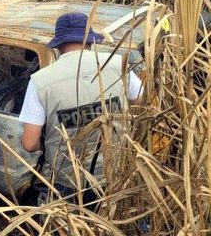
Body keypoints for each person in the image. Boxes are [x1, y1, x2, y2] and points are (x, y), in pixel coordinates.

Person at [18, 12, 144, 191]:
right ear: (92, 41)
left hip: (67, 182)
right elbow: (144, 106)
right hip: (117, 176)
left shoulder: (40, 81)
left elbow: (29, 143)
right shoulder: (119, 65)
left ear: (58, 45)